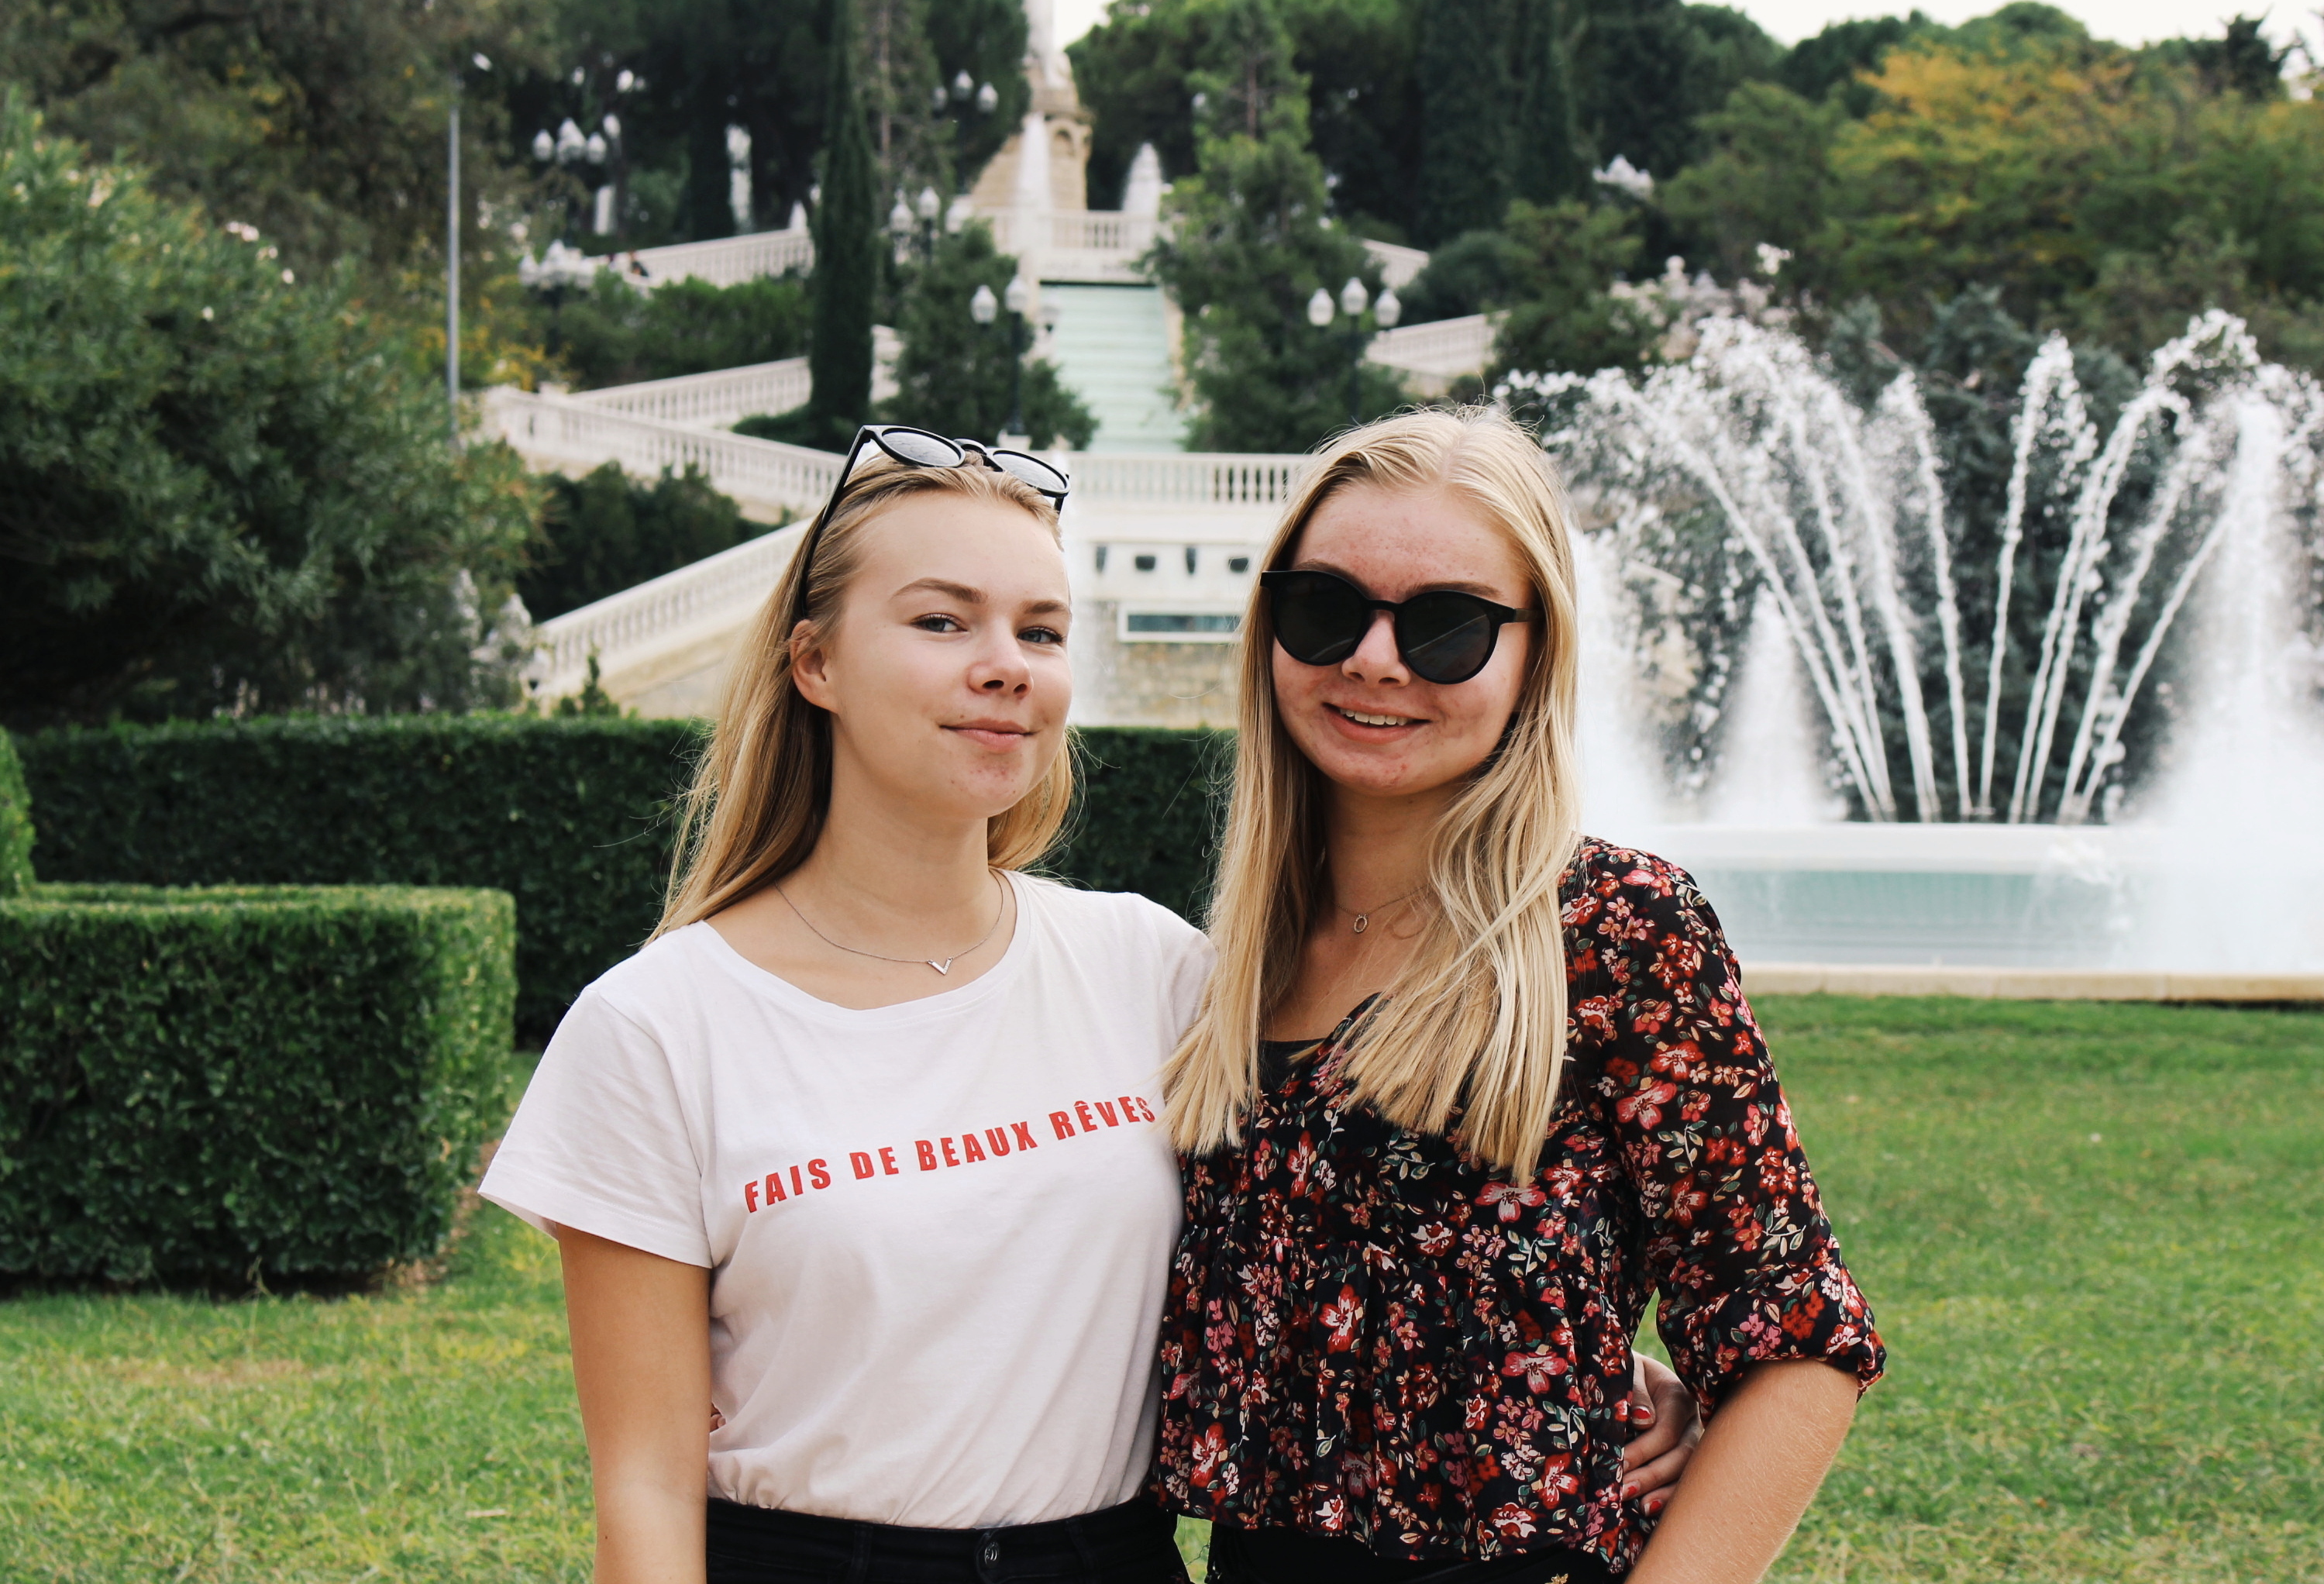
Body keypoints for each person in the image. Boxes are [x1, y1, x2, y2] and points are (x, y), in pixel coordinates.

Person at [479, 425, 1700, 1584]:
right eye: (942, 618)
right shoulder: (656, 1026)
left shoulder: (1156, 970)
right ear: (814, 662)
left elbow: (1331, 1230)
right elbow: (643, 1485)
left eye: (1042, 628)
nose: (1005, 663)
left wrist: (1567, 1348)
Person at [1152, 411, 1884, 1584]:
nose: (1376, 659)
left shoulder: (1614, 927)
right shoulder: (1229, 965)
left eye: (1447, 625)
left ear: (1536, 651)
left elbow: (1795, 1340)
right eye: (1326, 608)